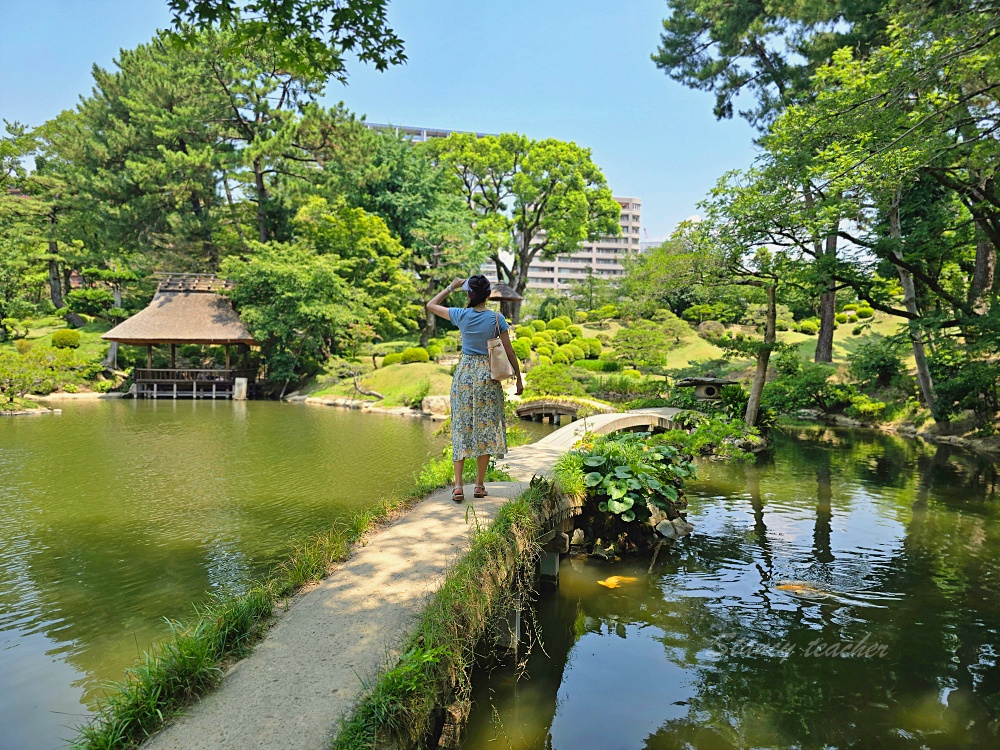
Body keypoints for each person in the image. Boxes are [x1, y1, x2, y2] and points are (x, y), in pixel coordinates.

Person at [426, 275, 523, 502]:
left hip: (464, 377)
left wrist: (451, 286)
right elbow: (509, 352)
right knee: (486, 428)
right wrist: (518, 379)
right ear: (488, 295)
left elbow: (431, 305)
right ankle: (479, 486)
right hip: (488, 378)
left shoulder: (461, 315)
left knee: (460, 428)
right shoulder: (496, 319)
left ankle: (458, 486)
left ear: (469, 294)